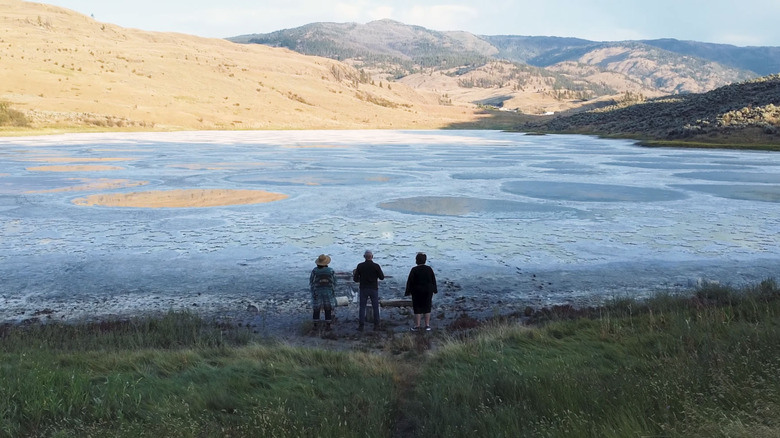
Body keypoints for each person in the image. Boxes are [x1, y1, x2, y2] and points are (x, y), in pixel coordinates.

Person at [404, 252, 437, 332]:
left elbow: (410, 282)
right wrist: (435, 290)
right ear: (425, 260)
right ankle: (427, 325)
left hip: (417, 290)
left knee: (417, 307)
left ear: (416, 260)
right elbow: (433, 280)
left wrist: (407, 292)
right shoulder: (429, 269)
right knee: (427, 307)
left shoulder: (414, 270)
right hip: (428, 290)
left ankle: (417, 325)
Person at [353, 250, 385, 331]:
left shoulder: (360, 266)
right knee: (375, 307)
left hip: (363, 288)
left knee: (362, 307)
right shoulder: (376, 266)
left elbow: (355, 279)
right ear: (372, 256)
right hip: (374, 288)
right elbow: (382, 277)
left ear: (364, 257)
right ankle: (377, 325)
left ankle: (361, 325)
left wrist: (361, 279)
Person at [309, 254, 337, 331]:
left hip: (317, 292)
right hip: (328, 292)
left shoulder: (315, 271)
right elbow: (334, 281)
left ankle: (315, 325)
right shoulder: (331, 270)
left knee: (316, 308)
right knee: (328, 308)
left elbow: (311, 281)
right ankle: (328, 325)